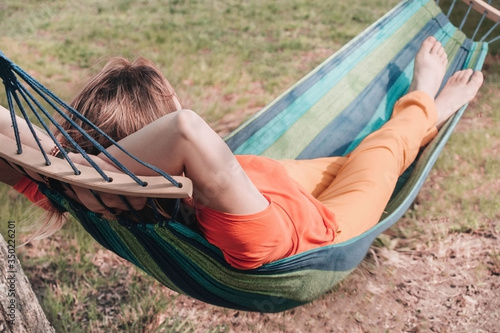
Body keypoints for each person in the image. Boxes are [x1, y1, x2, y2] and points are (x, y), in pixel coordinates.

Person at [0, 37, 484, 269]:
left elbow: (16, 146)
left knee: (350, 154)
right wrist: (87, 177)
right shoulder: (249, 235)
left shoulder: (80, 196)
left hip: (268, 175)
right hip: (326, 220)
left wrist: (77, 173)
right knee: (381, 150)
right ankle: (426, 103)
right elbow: (185, 131)